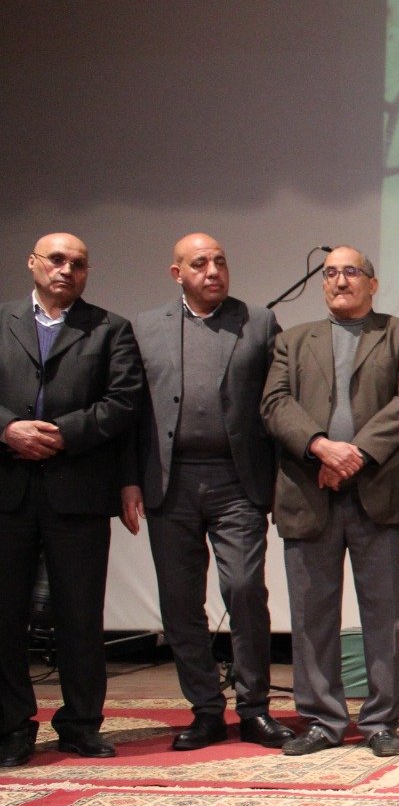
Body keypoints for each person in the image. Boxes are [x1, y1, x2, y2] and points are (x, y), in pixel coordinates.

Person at [121, 234, 293, 751]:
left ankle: (255, 709)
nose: (213, 270)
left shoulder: (258, 322)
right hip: (169, 482)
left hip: (237, 481)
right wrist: (129, 479)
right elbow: (131, 411)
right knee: (180, 602)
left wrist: (282, 480)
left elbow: (279, 402)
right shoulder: (145, 327)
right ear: (177, 273)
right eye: (200, 263)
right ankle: (205, 710)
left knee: (244, 589)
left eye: (220, 261)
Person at [260, 246, 399, 758]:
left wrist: (355, 454)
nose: (339, 281)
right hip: (308, 490)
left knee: (384, 614)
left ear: (372, 284)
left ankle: (380, 720)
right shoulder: (292, 340)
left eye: (351, 272)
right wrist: (319, 447)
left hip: (378, 491)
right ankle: (322, 720)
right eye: (331, 273)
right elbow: (274, 403)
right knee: (311, 615)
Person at [0, 233, 143, 767]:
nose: (66, 270)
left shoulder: (110, 328)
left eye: (78, 263)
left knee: (80, 616)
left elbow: (124, 401)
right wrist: (8, 429)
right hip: (9, 487)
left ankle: (81, 724)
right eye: (56, 260)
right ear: (32, 263)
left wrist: (63, 434)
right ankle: (12, 727)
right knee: (5, 616)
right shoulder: (3, 320)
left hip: (77, 487)